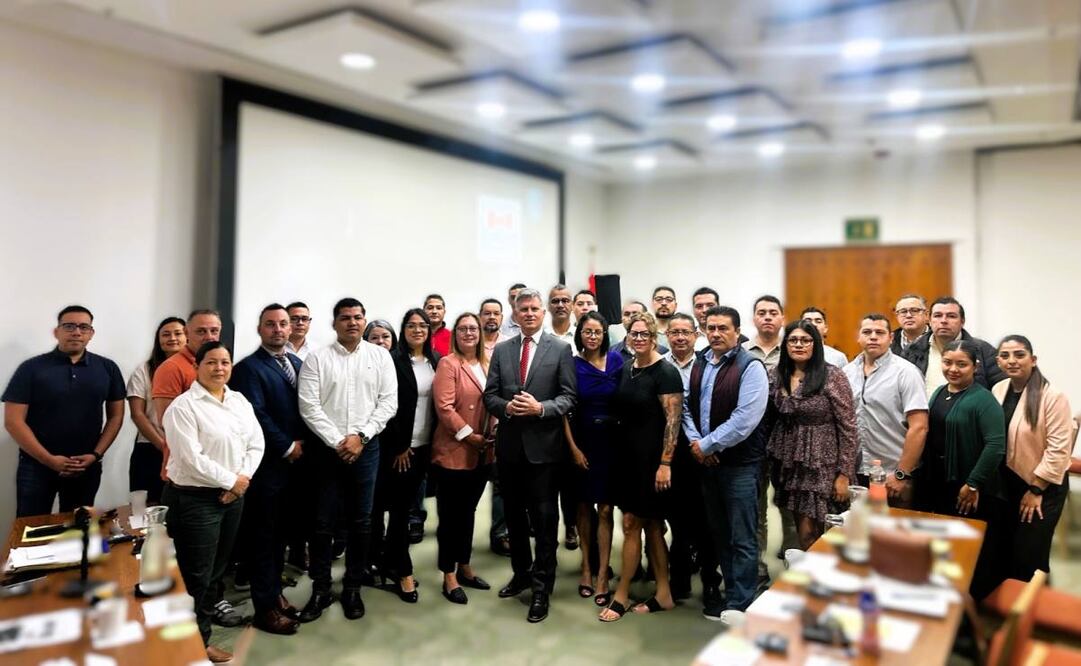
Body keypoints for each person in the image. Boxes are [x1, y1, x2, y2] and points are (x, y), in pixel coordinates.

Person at [162, 341, 264, 664]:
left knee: (215, 573)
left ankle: (200, 642)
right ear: (197, 366)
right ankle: (184, 649)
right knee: (195, 576)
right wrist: (232, 481)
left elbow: (256, 444)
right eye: (211, 362)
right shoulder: (183, 407)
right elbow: (190, 459)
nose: (219, 368)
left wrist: (240, 481)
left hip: (233, 496)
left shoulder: (239, 401)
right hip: (195, 500)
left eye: (225, 362)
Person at [296, 298, 397, 622]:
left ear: (364, 321)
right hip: (327, 453)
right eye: (345, 318)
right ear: (334, 323)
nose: (352, 322)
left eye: (357, 317)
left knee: (361, 521)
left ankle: (352, 587)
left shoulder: (380, 357)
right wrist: (339, 441)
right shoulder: (317, 358)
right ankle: (321, 589)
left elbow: (388, 403)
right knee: (322, 523)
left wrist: (360, 438)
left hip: (366, 450)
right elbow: (309, 405)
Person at [484, 288, 577, 623]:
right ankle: (521, 574)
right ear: (516, 313)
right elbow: (489, 395)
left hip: (545, 452)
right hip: (510, 450)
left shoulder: (560, 349)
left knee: (545, 520)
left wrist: (541, 408)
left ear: (543, 312)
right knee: (514, 518)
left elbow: (569, 397)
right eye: (523, 309)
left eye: (534, 309)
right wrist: (506, 408)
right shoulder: (503, 349)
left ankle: (541, 587)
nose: (529, 313)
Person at [682, 306, 769, 625]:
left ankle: (741, 601)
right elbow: (687, 408)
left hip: (740, 465)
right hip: (708, 465)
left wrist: (706, 445)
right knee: (720, 533)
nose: (716, 333)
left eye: (723, 328)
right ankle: (732, 592)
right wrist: (697, 443)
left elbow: (745, 420)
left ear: (737, 332)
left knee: (742, 536)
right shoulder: (700, 362)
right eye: (711, 328)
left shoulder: (751, 366)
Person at [229, 304, 307, 635]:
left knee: (280, 538)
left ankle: (275, 595)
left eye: (283, 324)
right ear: (260, 329)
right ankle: (264, 610)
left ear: (291, 329)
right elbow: (256, 415)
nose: (278, 329)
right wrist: (287, 446)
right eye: (270, 324)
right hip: (267, 468)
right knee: (262, 539)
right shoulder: (247, 369)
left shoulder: (298, 364)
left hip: (297, 468)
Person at [598, 312, 682, 622]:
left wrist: (665, 463)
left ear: (654, 337)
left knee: (632, 523)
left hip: (653, 462)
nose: (639, 338)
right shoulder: (627, 368)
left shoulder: (666, 372)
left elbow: (673, 422)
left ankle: (621, 595)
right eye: (634, 334)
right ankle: (664, 593)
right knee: (652, 526)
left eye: (645, 334)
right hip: (627, 460)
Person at [3, 305, 125, 517]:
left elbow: (116, 416)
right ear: (56, 331)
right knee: (30, 527)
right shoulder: (31, 368)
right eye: (69, 326)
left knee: (77, 528)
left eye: (83, 327)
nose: (76, 332)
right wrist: (48, 459)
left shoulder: (108, 368)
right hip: (36, 466)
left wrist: (95, 455)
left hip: (85, 467)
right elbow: (13, 421)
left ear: (91, 333)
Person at [919, 340, 1006, 599]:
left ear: (975, 366)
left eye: (961, 364)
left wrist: (974, 483)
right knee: (941, 546)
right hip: (939, 481)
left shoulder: (984, 400)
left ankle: (967, 606)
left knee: (965, 551)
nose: (953, 369)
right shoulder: (939, 392)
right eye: (947, 362)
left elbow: (996, 446)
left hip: (967, 487)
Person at [767, 321, 859, 550]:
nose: (799, 344)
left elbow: (848, 426)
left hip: (823, 462)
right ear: (785, 345)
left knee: (824, 533)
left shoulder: (832, 375)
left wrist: (844, 474)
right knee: (803, 532)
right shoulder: (776, 374)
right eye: (793, 340)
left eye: (805, 340)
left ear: (815, 344)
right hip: (791, 463)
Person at [992, 336, 1076, 582]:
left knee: (1029, 555)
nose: (1012, 360)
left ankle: (1032, 600)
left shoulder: (1053, 396)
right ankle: (1015, 598)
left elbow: (1059, 450)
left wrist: (1036, 489)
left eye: (1019, 355)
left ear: (1033, 359)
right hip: (1009, 482)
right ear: (998, 361)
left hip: (1043, 486)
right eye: (1005, 355)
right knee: (1008, 551)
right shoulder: (999, 389)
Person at [432, 312, 495, 604]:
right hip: (455, 451)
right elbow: (444, 408)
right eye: (462, 329)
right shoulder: (449, 364)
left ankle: (465, 566)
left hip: (483, 452)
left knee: (468, 512)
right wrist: (471, 436)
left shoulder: (487, 363)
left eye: (473, 328)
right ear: (455, 334)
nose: (468, 333)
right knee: (450, 516)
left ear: (480, 333)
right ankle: (449, 575)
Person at [377, 309, 439, 603]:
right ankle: (403, 571)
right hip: (402, 449)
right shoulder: (393, 361)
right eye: (411, 325)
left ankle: (391, 560)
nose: (417, 330)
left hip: (427, 446)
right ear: (403, 330)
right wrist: (399, 446)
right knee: (401, 511)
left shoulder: (436, 360)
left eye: (422, 325)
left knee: (409, 508)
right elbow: (386, 406)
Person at [564, 312, 623, 607]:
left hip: (612, 443)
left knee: (606, 509)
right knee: (584, 507)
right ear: (580, 334)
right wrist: (573, 449)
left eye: (597, 332)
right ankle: (586, 567)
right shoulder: (572, 365)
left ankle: (603, 573)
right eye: (587, 331)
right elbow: (564, 410)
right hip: (582, 442)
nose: (592, 336)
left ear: (604, 334)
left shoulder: (617, 361)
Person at [662, 313, 720, 606]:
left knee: (706, 522)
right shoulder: (660, 365)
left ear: (696, 335)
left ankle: (711, 582)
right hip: (670, 455)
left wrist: (704, 445)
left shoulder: (707, 365)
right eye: (675, 332)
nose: (680, 337)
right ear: (667, 336)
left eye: (686, 332)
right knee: (677, 521)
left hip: (703, 452)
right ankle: (679, 580)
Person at [841, 314, 928, 507]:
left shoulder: (906, 372)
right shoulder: (847, 372)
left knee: (893, 527)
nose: (873, 337)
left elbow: (919, 427)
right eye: (867, 332)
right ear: (858, 337)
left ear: (891, 338)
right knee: (858, 526)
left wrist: (901, 473)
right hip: (856, 474)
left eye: (879, 332)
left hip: (892, 475)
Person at [742, 295, 790, 585]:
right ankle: (758, 567)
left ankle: (794, 564)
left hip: (787, 441)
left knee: (789, 507)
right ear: (754, 319)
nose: (768, 317)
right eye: (762, 312)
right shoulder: (743, 352)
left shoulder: (793, 350)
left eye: (773, 312)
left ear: (782, 318)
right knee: (756, 508)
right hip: (753, 442)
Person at [127, 316, 186, 503]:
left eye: (178, 333)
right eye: (166, 334)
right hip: (150, 447)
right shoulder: (144, 370)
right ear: (158, 340)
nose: (172, 338)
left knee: (180, 509)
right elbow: (138, 414)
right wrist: (164, 446)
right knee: (146, 509)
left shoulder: (198, 369)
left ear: (187, 337)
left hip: (187, 450)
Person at [902, 297, 1006, 396]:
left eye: (951, 316)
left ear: (962, 321)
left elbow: (1001, 389)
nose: (943, 321)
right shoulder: (911, 351)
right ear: (929, 320)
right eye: (938, 316)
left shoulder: (983, 350)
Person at [478, 297, 510, 556]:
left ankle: (500, 534)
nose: (491, 317)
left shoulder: (510, 345)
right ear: (480, 316)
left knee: (501, 483)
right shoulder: (471, 344)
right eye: (486, 313)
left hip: (501, 424)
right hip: (473, 425)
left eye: (495, 313)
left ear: (501, 317)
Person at [691, 287, 719, 352]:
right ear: (693, 310)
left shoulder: (733, 337)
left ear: (719, 307)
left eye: (710, 305)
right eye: (699, 306)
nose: (705, 310)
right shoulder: (686, 338)